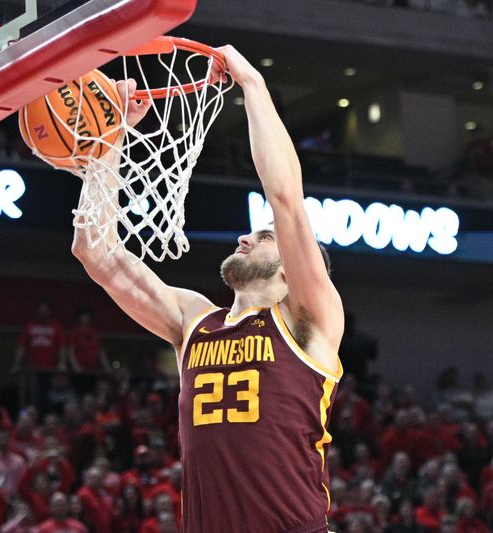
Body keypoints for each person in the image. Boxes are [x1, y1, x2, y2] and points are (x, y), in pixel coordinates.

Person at [71, 46, 344, 533]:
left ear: (290, 272)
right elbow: (97, 254)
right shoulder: (195, 320)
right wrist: (110, 143)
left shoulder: (307, 319)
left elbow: (285, 197)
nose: (244, 236)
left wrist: (253, 85)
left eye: (262, 238)